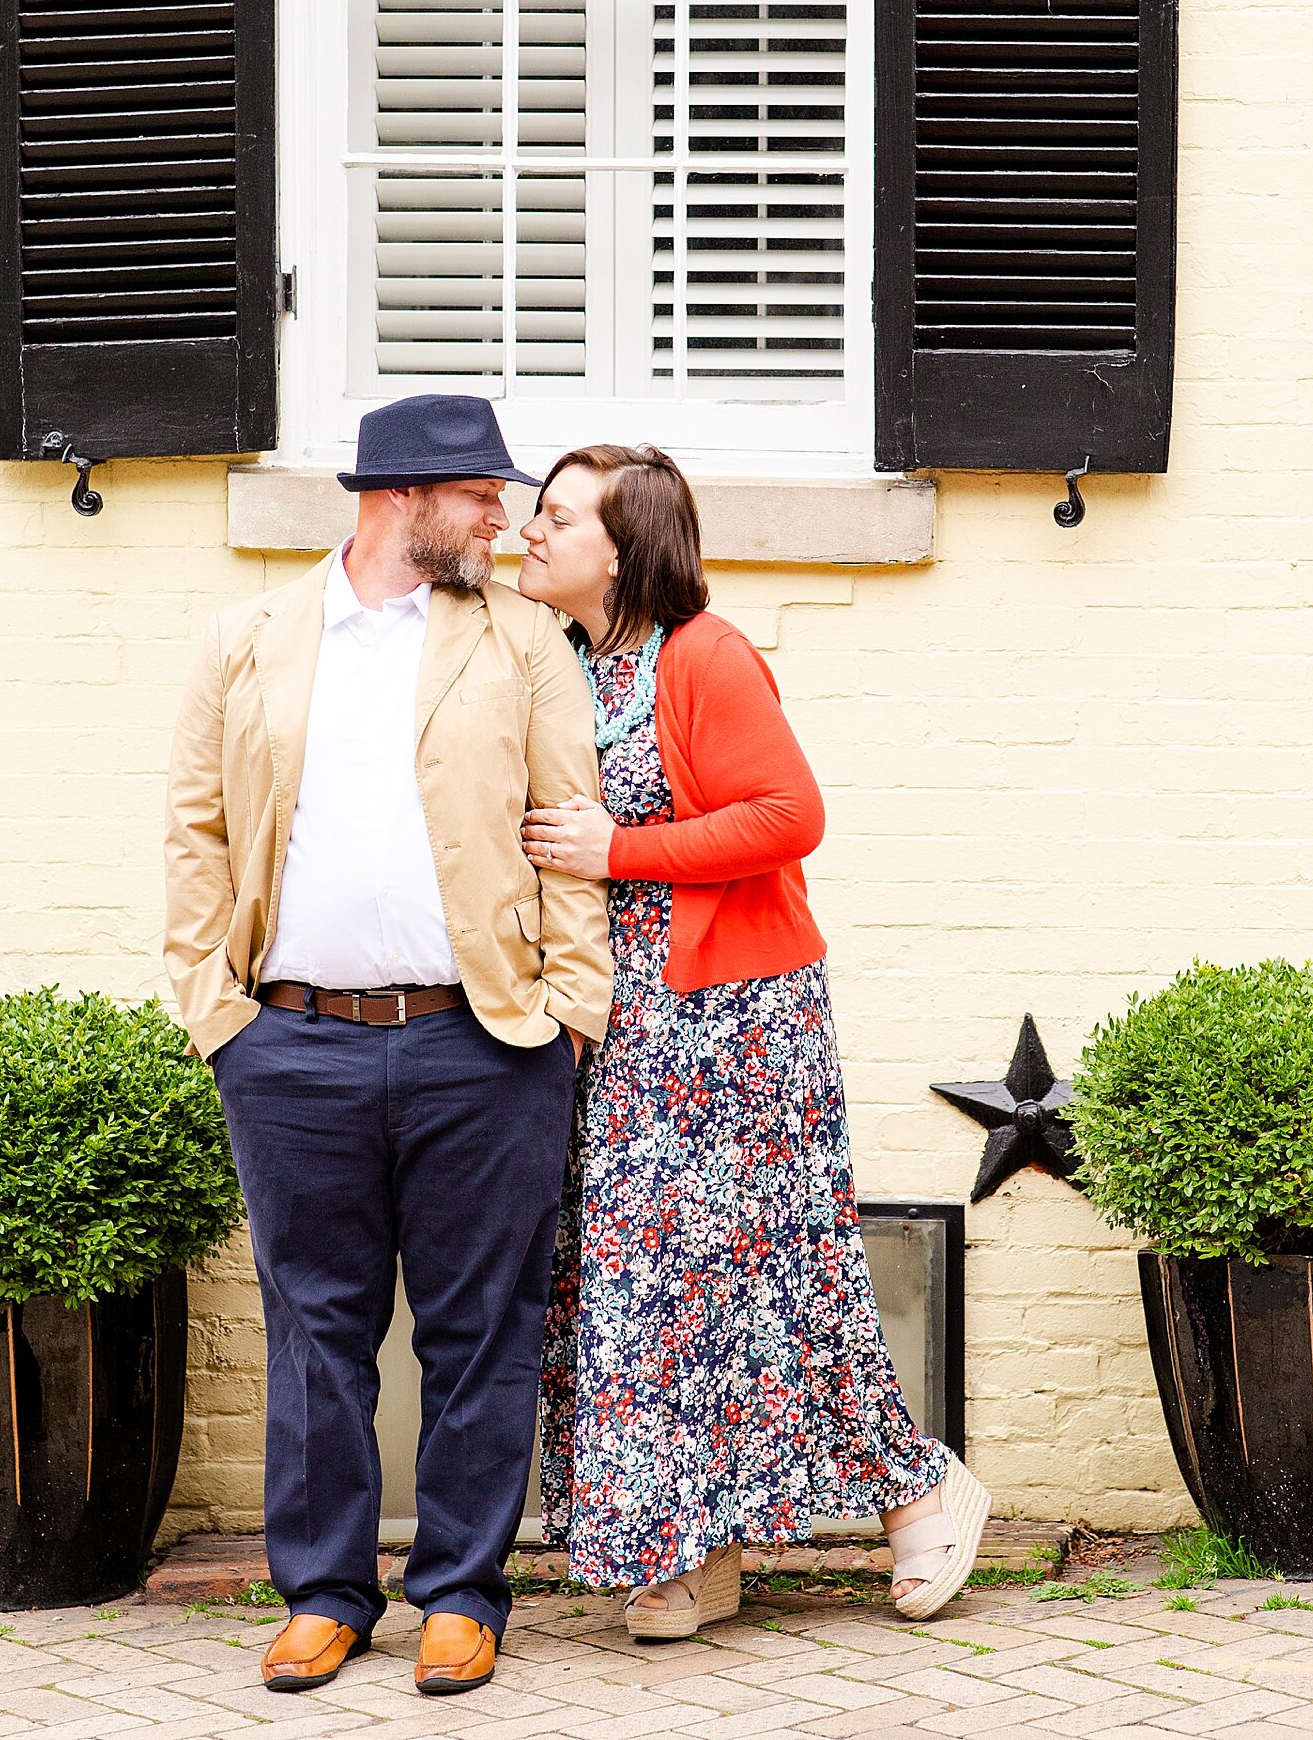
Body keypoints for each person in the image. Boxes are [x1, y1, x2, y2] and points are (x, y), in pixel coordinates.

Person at [163, 395, 612, 1699]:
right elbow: (196, 832)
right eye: (482, 493)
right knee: (317, 1330)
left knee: (484, 1331)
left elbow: (568, 820)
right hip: (290, 1046)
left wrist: (570, 1016)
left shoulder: (521, 640)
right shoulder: (245, 639)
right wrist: (217, 1014)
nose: (503, 517)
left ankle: (465, 1593)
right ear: (399, 499)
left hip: (484, 1044)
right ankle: (324, 1591)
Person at [518, 445, 990, 1636]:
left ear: (624, 548)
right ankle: (694, 1548)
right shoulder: (562, 663)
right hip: (625, 1027)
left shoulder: (704, 655)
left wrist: (616, 849)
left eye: (557, 515)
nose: (530, 529)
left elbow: (790, 815)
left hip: (736, 1024)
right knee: (648, 1288)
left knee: (775, 1278)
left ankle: (921, 1489)